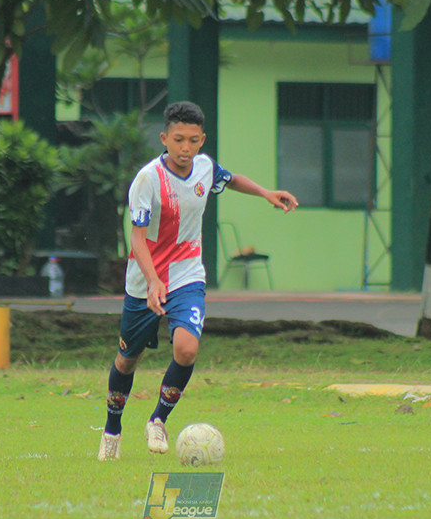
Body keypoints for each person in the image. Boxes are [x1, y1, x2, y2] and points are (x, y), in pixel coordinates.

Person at [98, 101, 298, 460]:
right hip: (145, 282)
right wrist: (154, 281)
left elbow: (230, 179)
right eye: (178, 140)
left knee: (187, 349)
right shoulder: (147, 180)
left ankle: (158, 419)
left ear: (202, 140)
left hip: (187, 274)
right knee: (128, 360)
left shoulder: (204, 168)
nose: (185, 149)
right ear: (164, 138)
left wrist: (266, 193)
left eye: (193, 140)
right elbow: (137, 239)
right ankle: (112, 428)